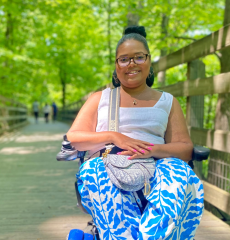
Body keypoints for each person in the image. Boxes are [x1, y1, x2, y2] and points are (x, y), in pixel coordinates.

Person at [67, 26, 203, 240]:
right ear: (116, 66)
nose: (131, 64)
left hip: (157, 162)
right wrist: (113, 136)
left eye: (138, 57)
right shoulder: (100, 99)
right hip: (109, 161)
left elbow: (185, 148)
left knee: (179, 171)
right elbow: (74, 138)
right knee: (95, 170)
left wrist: (151, 150)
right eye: (124, 59)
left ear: (149, 62)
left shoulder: (168, 101)